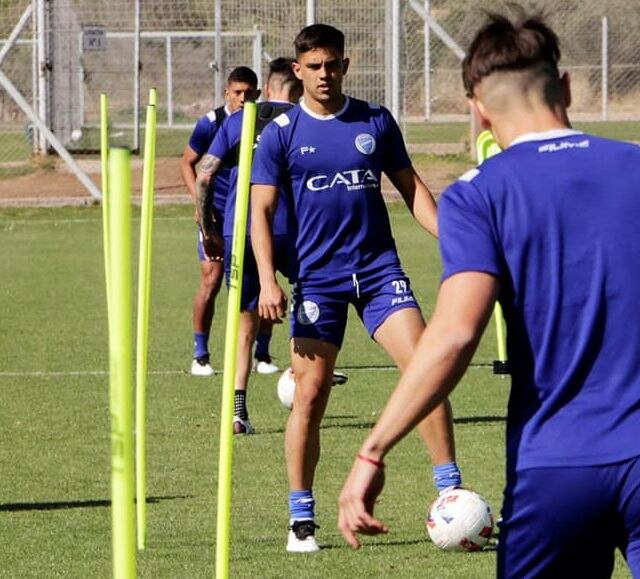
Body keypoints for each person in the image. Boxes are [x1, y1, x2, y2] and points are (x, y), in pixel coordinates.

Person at [337, 11, 640, 578]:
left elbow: (456, 335)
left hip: (556, 469)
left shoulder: (477, 196)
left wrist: (373, 450)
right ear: (568, 87)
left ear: (478, 111)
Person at [249, 24, 463, 553]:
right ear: (298, 71)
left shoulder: (375, 121)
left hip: (378, 271)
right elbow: (261, 210)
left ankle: (451, 495)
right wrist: (267, 279)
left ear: (346, 65)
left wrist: (459, 240)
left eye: (333, 64)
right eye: (314, 66)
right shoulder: (280, 134)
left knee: (426, 372)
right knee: (310, 395)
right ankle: (302, 518)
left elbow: (414, 192)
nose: (324, 74)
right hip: (317, 278)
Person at [195, 58, 305, 434]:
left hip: (239, 228)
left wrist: (208, 226)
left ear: (266, 90)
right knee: (307, 297)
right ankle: (301, 380)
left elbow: (204, 174)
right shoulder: (301, 120)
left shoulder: (237, 121)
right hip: (289, 227)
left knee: (243, 323)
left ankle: (238, 412)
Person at [182, 66, 280, 376]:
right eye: (237, 92)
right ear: (227, 93)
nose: (242, 98)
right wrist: (201, 208)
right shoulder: (212, 124)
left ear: (258, 94)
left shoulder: (267, 121)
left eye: (249, 93)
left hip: (252, 216)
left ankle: (262, 353)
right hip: (217, 214)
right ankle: (201, 353)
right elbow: (189, 164)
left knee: (265, 278)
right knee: (211, 280)